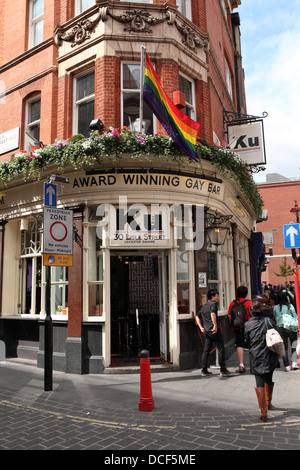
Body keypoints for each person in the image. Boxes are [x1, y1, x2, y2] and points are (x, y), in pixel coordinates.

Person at [244, 298, 278, 422]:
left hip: (256, 355)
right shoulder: (268, 321)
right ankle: (268, 403)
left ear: (251, 313)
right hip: (270, 354)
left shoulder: (248, 324)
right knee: (269, 378)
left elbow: (247, 341)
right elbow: (276, 334)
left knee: (259, 382)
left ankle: (263, 412)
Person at [196, 289, 231, 377]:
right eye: (217, 296)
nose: (218, 298)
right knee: (221, 348)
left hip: (207, 331)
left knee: (206, 351)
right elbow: (213, 314)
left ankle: (204, 370)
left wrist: (201, 327)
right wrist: (215, 326)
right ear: (212, 296)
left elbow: (197, 316)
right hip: (213, 330)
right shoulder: (213, 305)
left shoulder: (204, 306)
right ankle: (223, 369)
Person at [228, 286, 252, 373]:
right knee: (252, 344)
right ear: (246, 293)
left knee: (239, 344)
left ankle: (241, 365)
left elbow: (230, 316)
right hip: (248, 326)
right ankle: (253, 364)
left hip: (237, 327)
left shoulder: (232, 303)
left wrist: (233, 325)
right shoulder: (249, 303)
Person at [273, 290, 298, 371]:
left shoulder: (275, 307)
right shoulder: (290, 306)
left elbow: (274, 318)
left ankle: (286, 365)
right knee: (294, 344)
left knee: (284, 347)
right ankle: (294, 362)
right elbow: (295, 316)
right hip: (290, 327)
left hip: (280, 328)